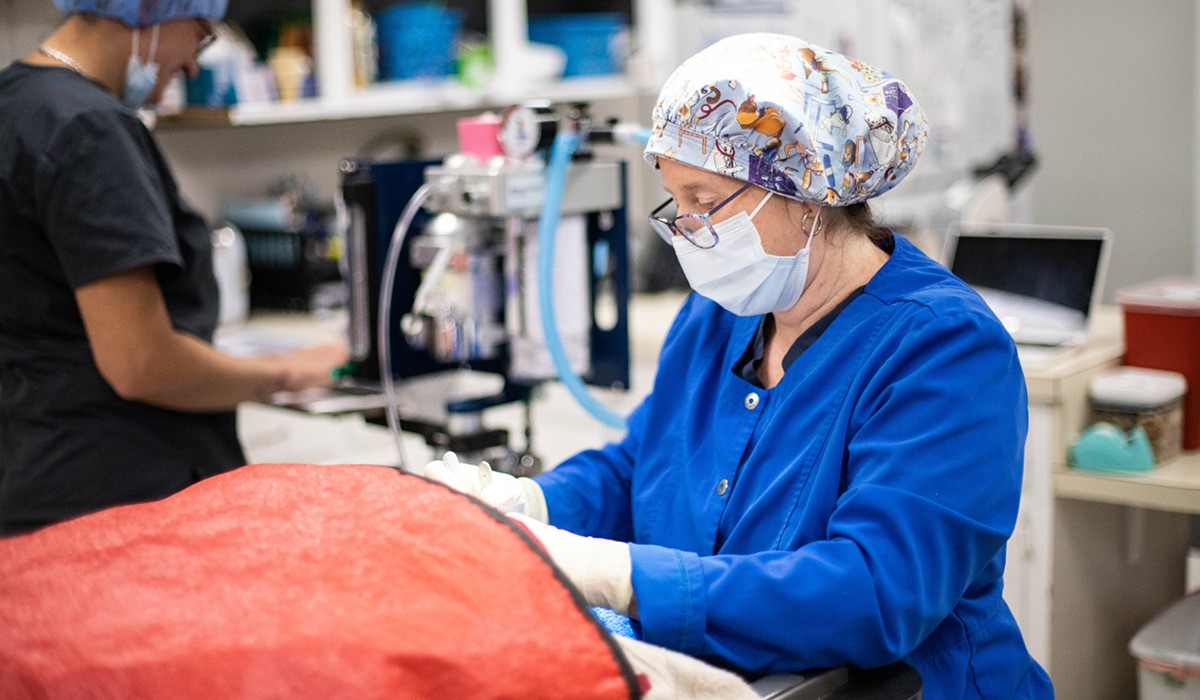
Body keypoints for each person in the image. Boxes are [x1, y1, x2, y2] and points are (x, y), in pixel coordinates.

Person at [426, 32, 1052, 698]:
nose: (689, 231)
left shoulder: (945, 349)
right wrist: (534, 502)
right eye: (677, 204)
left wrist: (620, 576)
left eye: (705, 202)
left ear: (804, 190)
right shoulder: (720, 313)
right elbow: (645, 465)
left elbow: (876, 592)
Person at [0, 0, 348, 535]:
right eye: (201, 35)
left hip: (37, 472)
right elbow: (142, 363)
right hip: (117, 495)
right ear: (150, 10)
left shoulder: (17, 101)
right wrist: (289, 373)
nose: (192, 66)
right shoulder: (89, 129)